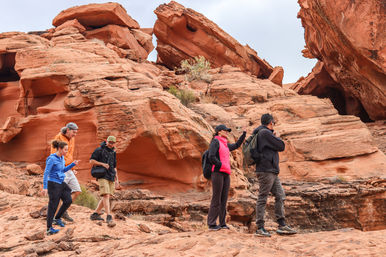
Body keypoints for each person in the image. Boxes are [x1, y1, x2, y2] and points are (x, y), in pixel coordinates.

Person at [253, 113, 297, 237]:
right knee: (263, 197)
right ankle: (260, 227)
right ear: (270, 122)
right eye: (274, 123)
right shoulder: (265, 133)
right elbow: (281, 146)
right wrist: (276, 137)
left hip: (270, 170)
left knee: (280, 195)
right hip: (266, 170)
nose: (274, 125)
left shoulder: (261, 133)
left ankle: (282, 225)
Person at [207, 125, 246, 231]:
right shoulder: (215, 142)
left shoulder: (225, 144)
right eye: (226, 131)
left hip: (226, 174)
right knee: (217, 198)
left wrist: (244, 134)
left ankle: (222, 223)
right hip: (217, 173)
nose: (227, 133)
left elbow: (237, 145)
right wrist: (219, 164)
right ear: (219, 132)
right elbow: (211, 156)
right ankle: (211, 224)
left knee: (224, 199)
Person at [42, 140, 79, 235]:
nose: (66, 152)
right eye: (65, 150)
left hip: (61, 182)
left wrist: (72, 164)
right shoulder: (52, 159)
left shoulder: (62, 158)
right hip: (53, 183)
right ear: (59, 149)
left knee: (68, 200)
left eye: (67, 150)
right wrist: (45, 187)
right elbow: (46, 173)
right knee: (53, 205)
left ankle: (57, 218)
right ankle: (49, 228)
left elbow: (62, 170)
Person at [51, 122, 80, 222]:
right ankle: (55, 217)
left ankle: (62, 211)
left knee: (76, 191)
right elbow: (54, 154)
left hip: (69, 169)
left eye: (76, 133)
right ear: (68, 130)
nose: (75, 134)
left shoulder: (72, 139)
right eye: (74, 132)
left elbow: (70, 154)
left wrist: (72, 168)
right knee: (58, 194)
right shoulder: (58, 138)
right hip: (60, 169)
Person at [89, 136, 120, 224]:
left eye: (113, 143)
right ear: (106, 141)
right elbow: (91, 161)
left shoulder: (113, 152)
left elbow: (114, 167)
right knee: (106, 195)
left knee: (107, 196)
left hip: (111, 176)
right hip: (102, 175)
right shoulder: (99, 150)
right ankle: (108, 216)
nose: (111, 144)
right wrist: (102, 164)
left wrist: (117, 180)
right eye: (109, 142)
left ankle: (95, 214)